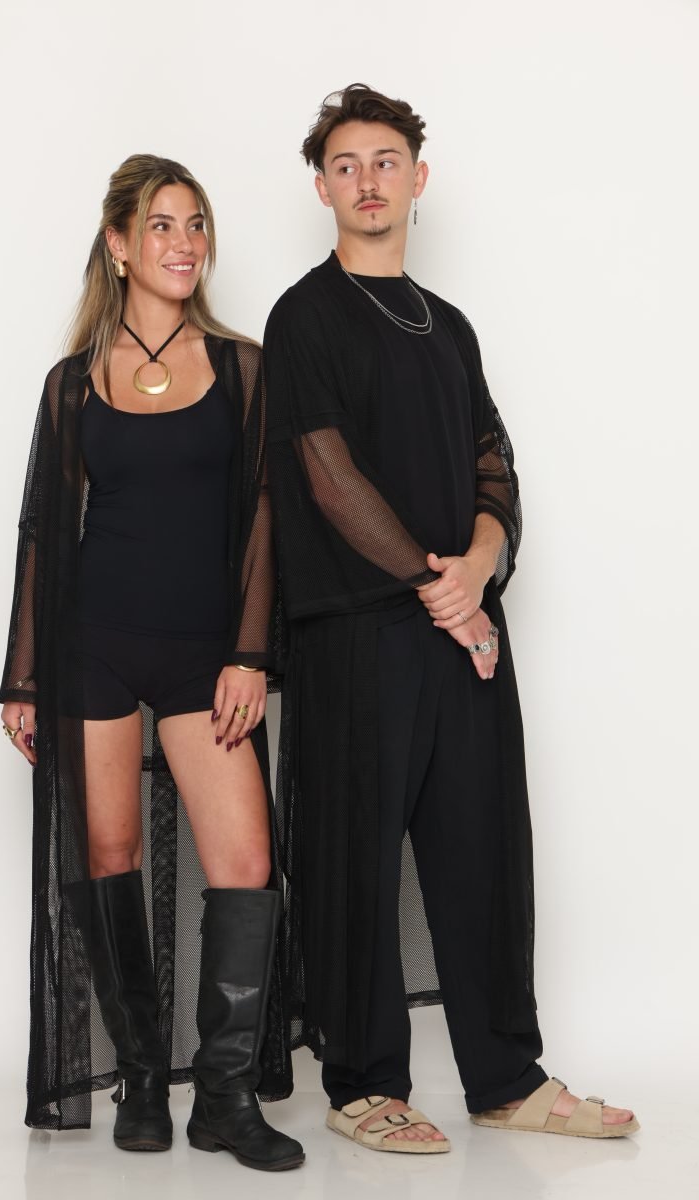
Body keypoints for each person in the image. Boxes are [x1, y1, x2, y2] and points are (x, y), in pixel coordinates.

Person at [264, 84, 637, 1153]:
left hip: (461, 624)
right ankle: (363, 1083)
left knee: (481, 848)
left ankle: (504, 1078)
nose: (367, 181)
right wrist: (442, 592)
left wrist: (477, 566)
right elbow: (327, 476)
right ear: (322, 187)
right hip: (355, 631)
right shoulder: (304, 316)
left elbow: (492, 462)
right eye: (345, 165)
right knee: (355, 857)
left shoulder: (451, 325)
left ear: (417, 178)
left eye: (385, 161)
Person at [0, 154, 303, 1172]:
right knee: (109, 855)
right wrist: (24, 677)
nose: (183, 243)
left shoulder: (244, 366)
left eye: (195, 223)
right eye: (162, 225)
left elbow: (267, 516)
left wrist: (250, 654)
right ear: (120, 244)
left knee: (245, 865)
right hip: (93, 647)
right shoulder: (72, 383)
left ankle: (222, 1097)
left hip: (202, 654)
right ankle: (138, 1074)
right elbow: (44, 533)